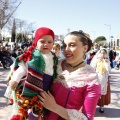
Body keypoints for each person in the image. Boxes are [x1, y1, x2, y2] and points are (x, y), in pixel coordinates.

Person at [36, 30, 101, 120]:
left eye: (72, 45)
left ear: (85, 48)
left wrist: (54, 107)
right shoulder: (54, 64)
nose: (66, 50)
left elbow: (87, 118)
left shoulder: (91, 78)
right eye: (64, 45)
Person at [4, 27, 58, 120]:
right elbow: (23, 68)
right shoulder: (33, 56)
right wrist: (15, 80)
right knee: (28, 112)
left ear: (53, 43)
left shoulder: (54, 58)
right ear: (36, 42)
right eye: (42, 41)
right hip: (31, 89)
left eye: (49, 42)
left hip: (46, 91)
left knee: (41, 113)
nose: (46, 44)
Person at [90, 48, 111, 113]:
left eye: (104, 53)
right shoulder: (96, 60)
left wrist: (106, 62)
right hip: (97, 78)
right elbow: (92, 68)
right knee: (95, 92)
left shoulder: (107, 60)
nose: (102, 54)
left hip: (104, 78)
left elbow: (109, 70)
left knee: (102, 93)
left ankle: (101, 106)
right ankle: (93, 106)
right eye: (101, 53)